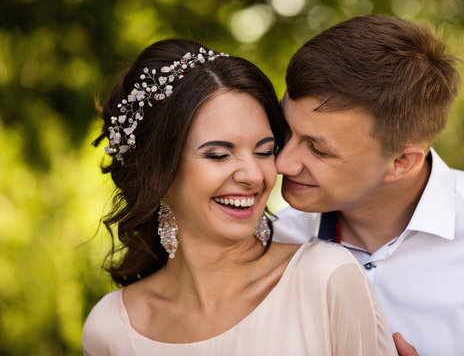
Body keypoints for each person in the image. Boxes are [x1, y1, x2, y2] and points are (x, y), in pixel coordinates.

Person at [82, 38, 398, 355]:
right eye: (219, 155)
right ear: (152, 171)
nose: (254, 175)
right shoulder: (111, 328)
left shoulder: (325, 277)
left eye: (264, 151)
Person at [273, 14, 464, 356]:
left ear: (402, 162)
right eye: (285, 130)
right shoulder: (270, 241)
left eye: (319, 149)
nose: (282, 163)